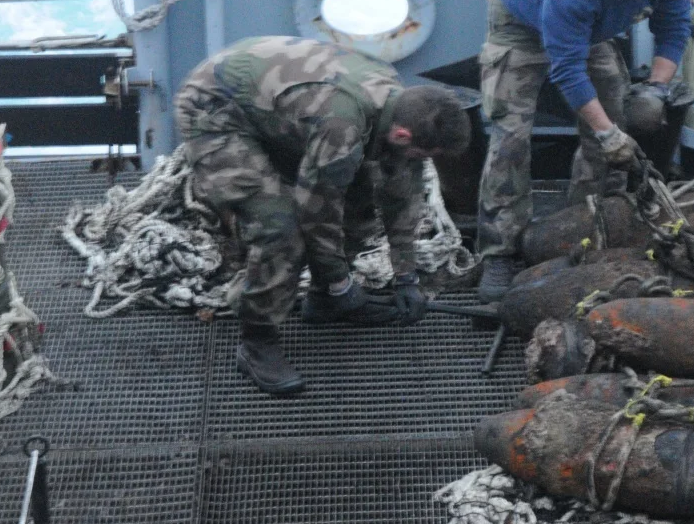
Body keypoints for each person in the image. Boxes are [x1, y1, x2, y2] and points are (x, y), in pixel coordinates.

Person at [175, 35, 472, 395]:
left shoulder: (403, 105)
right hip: (217, 109)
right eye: (422, 153)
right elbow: (316, 213)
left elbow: (401, 193)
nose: (421, 162)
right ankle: (257, 342)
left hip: (278, 110)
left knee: (359, 198)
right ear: (402, 134)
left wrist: (407, 276)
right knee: (279, 230)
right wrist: (342, 283)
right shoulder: (342, 124)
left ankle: (324, 302)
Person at [475, 0, 692, 303]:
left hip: (589, 26)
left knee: (620, 119)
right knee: (510, 137)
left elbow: (674, 29)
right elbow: (567, 70)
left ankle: (588, 226)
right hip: (522, 17)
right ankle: (500, 251)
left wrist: (656, 90)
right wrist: (607, 133)